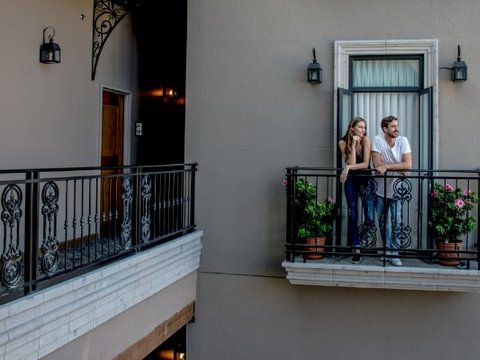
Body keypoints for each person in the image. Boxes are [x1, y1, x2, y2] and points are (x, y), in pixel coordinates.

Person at [371, 116, 412, 266]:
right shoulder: (377, 140)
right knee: (382, 222)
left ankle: (394, 254)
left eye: (397, 126)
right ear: (385, 129)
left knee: (397, 222)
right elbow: (376, 163)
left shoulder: (403, 141)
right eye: (393, 126)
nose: (397, 129)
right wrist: (398, 166)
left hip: (398, 190)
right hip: (380, 189)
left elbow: (408, 164)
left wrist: (387, 166)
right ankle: (386, 251)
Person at [338, 117, 375, 264]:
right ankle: (357, 247)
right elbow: (352, 162)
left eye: (364, 128)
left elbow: (365, 164)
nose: (363, 131)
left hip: (365, 179)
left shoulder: (366, 140)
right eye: (360, 127)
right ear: (352, 128)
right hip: (351, 181)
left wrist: (347, 167)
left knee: (370, 217)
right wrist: (353, 145)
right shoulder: (342, 142)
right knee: (353, 215)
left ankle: (358, 237)